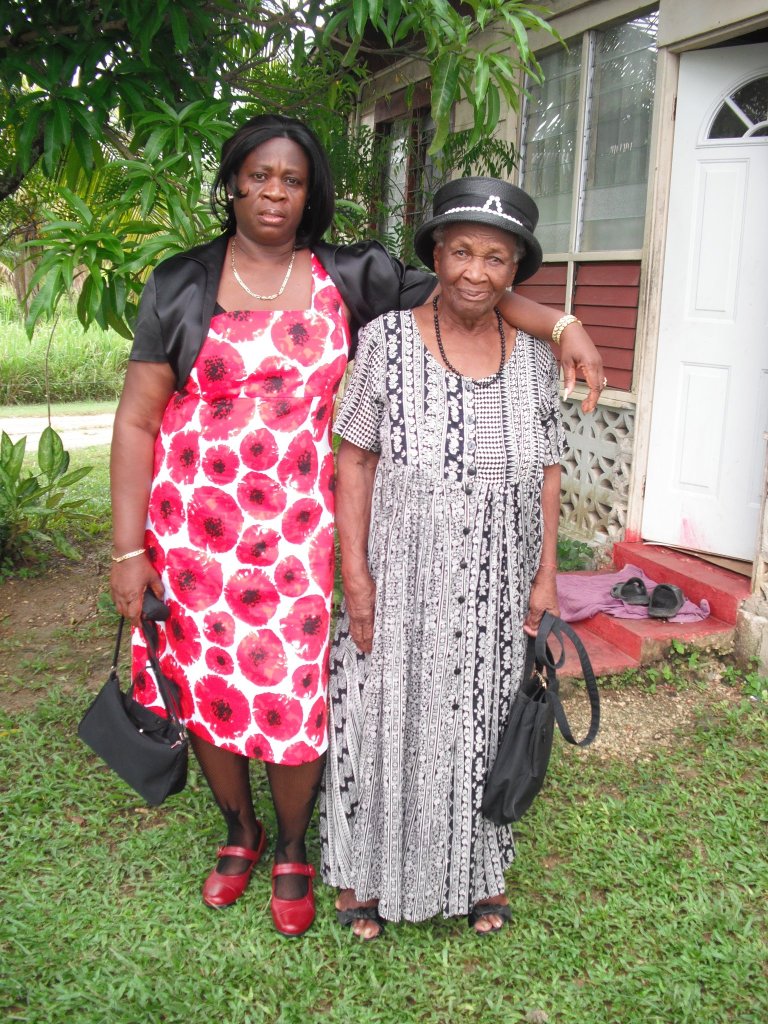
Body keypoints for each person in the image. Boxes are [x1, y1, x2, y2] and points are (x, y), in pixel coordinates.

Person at [110, 116, 602, 938]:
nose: (274, 193)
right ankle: (239, 832)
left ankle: (294, 847)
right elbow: (135, 421)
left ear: (313, 193)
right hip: (196, 538)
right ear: (232, 182)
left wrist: (559, 324)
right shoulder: (180, 283)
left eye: (292, 179)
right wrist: (129, 550)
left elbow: (470, 283)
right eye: (258, 176)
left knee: (299, 696)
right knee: (206, 687)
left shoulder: (351, 274)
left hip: (305, 537)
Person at [321, 176, 573, 939]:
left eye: (496, 258)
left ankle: (477, 875)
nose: (475, 272)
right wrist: (356, 574)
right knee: (381, 714)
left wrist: (546, 576)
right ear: (435, 255)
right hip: (401, 570)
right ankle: (365, 877)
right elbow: (354, 458)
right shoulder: (386, 341)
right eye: (461, 251)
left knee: (482, 719)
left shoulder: (533, 361)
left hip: (500, 577)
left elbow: (548, 471)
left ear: (514, 271)